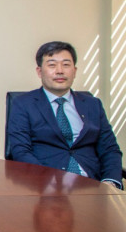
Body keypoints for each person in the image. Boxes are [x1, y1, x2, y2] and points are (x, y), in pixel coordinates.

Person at [7, 41, 123, 188]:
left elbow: (110, 149)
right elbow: (21, 151)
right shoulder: (24, 104)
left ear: (74, 71)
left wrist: (110, 181)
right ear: (39, 71)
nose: (60, 71)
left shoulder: (93, 104)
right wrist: (45, 181)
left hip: (91, 184)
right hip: (46, 185)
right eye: (52, 65)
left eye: (66, 65)